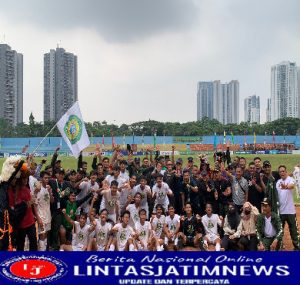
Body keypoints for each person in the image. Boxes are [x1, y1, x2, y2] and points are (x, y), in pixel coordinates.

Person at [276, 165, 300, 250]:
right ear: (279, 173)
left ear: (286, 172)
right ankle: (280, 247)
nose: (282, 173)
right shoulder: (278, 182)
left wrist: (286, 187)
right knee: (280, 231)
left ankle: (297, 247)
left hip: (290, 211)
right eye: (280, 171)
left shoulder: (290, 179)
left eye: (283, 171)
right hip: (281, 212)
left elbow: (292, 186)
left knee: (294, 231)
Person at [33, 171, 54, 251]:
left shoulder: (48, 188)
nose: (47, 179)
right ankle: (41, 253)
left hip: (48, 215)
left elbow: (52, 201)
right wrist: (38, 218)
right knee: (42, 235)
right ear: (41, 178)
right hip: (41, 216)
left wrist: (50, 192)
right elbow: (34, 204)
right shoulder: (38, 189)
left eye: (48, 178)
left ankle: (44, 251)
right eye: (45, 178)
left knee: (45, 235)